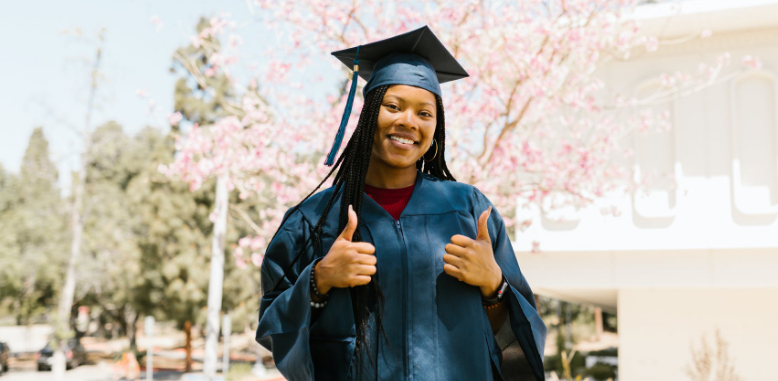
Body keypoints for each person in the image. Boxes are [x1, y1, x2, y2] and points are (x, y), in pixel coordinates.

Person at [256, 26, 547, 381]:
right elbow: (274, 329)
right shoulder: (313, 220)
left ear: (436, 128)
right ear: (368, 116)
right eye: (393, 106)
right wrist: (318, 280)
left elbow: (520, 341)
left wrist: (494, 287)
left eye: (425, 113)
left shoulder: (468, 210)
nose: (408, 121)